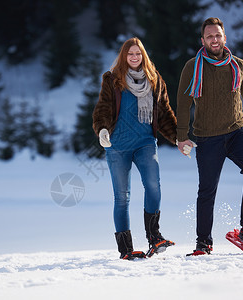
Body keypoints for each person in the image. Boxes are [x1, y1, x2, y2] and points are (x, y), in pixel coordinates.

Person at [176, 17, 243, 255]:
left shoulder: (238, 65)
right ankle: (203, 242)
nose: (214, 40)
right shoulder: (193, 67)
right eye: (209, 36)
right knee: (207, 190)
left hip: (236, 131)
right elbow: (183, 103)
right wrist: (181, 136)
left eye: (218, 35)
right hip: (207, 138)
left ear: (224, 37)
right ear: (203, 40)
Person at [92, 37, 177, 260]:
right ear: (123, 56)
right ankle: (126, 250)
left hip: (145, 143)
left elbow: (165, 113)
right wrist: (102, 129)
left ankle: (154, 236)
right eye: (130, 54)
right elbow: (102, 108)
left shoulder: (154, 80)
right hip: (117, 147)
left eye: (138, 54)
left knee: (153, 186)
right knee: (122, 197)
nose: (134, 57)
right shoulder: (113, 80)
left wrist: (178, 138)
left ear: (143, 56)